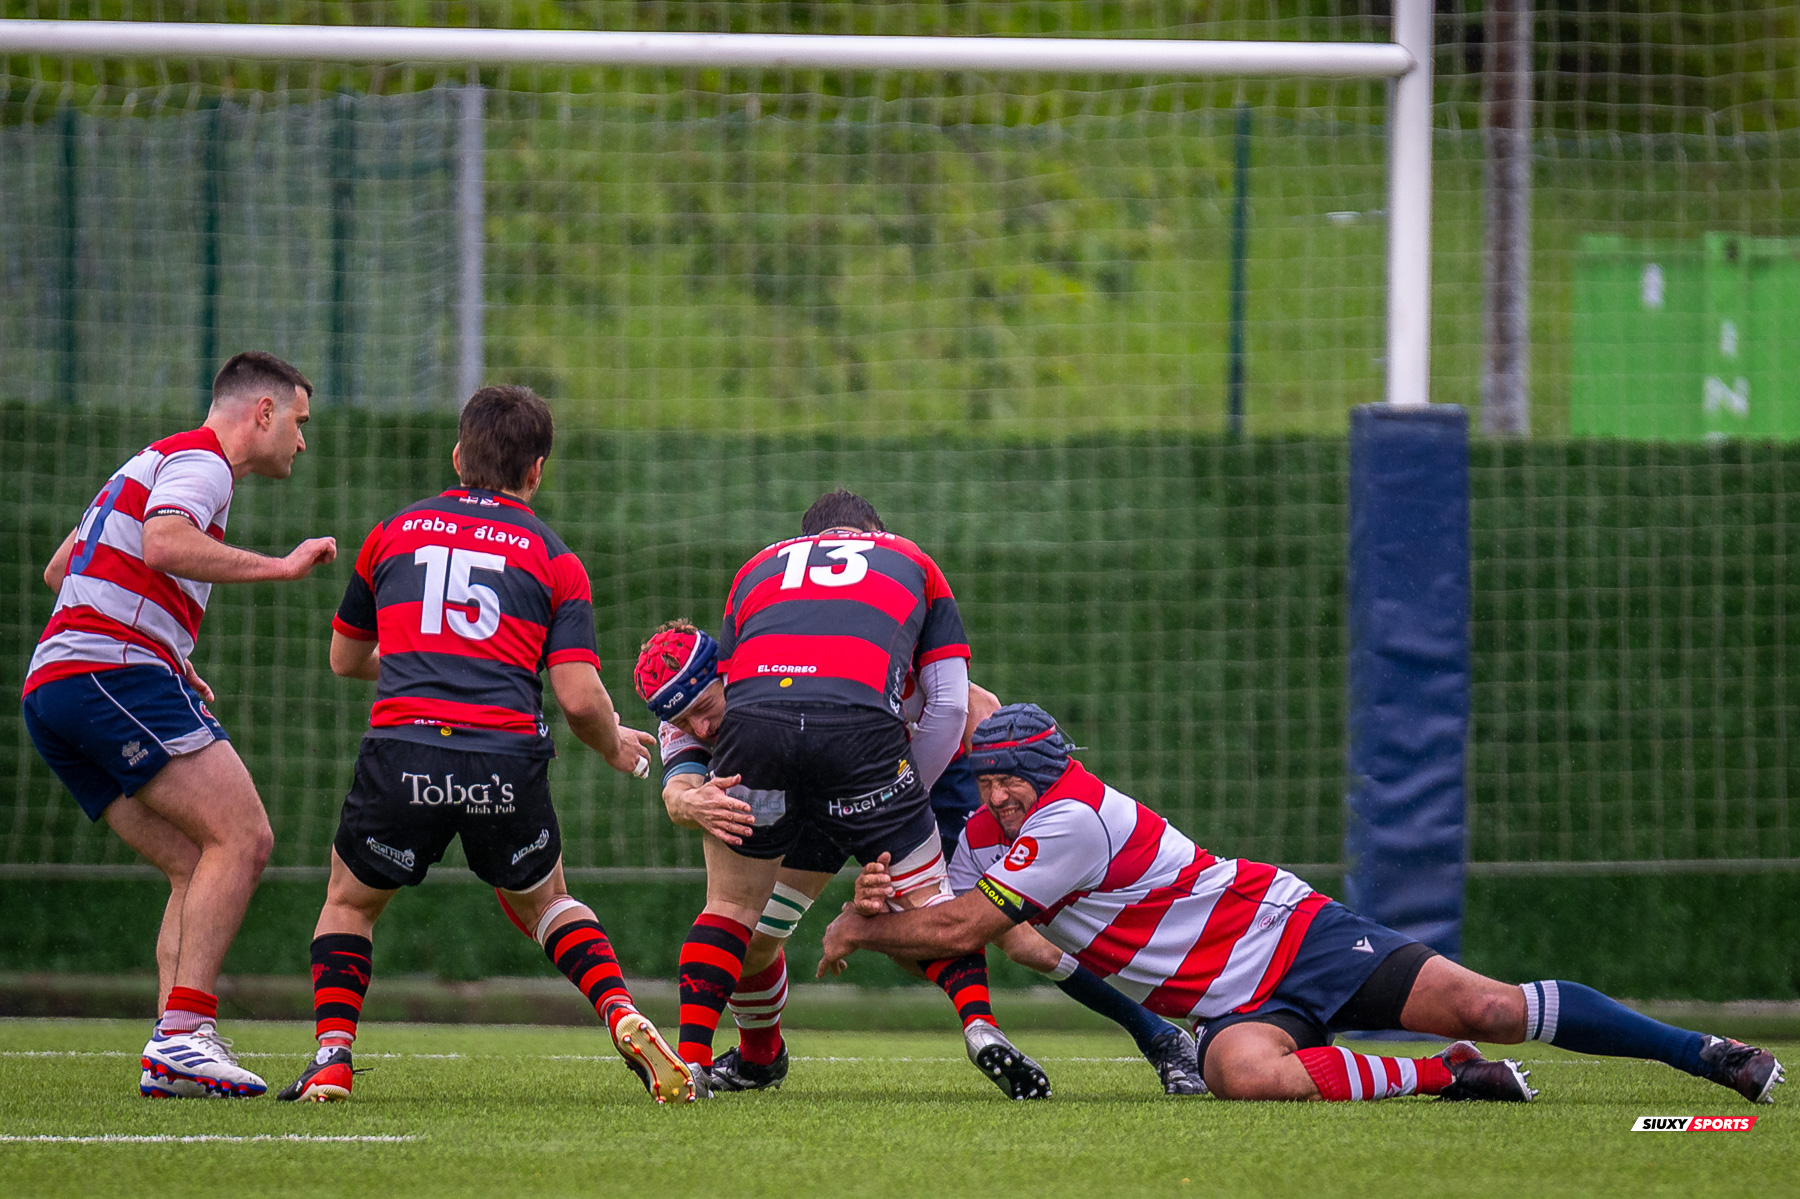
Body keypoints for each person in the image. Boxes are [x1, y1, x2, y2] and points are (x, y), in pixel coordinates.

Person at [823, 703, 1787, 1107]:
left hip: (1294, 937)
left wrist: (867, 923)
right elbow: (950, 935)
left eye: (1007, 783)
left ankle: (1704, 1054)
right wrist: (885, 898)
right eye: (985, 784)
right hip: (1231, 1006)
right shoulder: (997, 828)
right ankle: (1451, 1079)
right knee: (1247, 1075)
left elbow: (955, 931)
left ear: (1046, 771)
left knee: (1495, 1003)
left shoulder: (1072, 817)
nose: (992, 799)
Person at [274, 385, 692, 1105]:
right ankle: (621, 1011)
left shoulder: (392, 532)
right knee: (546, 902)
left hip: (403, 751)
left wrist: (414, 659)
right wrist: (614, 745)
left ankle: (333, 1058)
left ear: (459, 454)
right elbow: (577, 696)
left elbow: (345, 658)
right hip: (503, 757)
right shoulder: (554, 558)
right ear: (536, 471)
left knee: (349, 902)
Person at [634, 621, 1201, 1096]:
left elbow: (977, 706)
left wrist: (970, 807)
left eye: (706, 710)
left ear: (730, 669)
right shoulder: (691, 705)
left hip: (925, 783)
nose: (700, 728)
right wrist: (689, 801)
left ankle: (1162, 1038)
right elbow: (678, 783)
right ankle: (761, 1058)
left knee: (1016, 935)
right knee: (753, 940)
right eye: (685, 723)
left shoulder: (838, 656)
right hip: (823, 796)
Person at [21, 351, 336, 1098]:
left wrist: (159, 640)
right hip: (108, 674)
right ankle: (184, 1033)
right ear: (261, 412)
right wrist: (282, 567)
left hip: (57, 687)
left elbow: (64, 569)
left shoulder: (150, 458)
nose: (301, 440)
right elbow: (161, 543)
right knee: (246, 835)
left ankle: (175, 1046)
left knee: (198, 861)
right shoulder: (205, 463)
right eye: (297, 422)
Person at [668, 489, 1043, 1096]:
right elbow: (950, 706)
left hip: (761, 737)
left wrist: (677, 780)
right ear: (876, 534)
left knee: (732, 913)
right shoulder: (911, 562)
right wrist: (899, 795)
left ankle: (688, 1063)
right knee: (932, 904)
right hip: (864, 751)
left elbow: (726, 691)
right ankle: (979, 1022)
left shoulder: (758, 566)